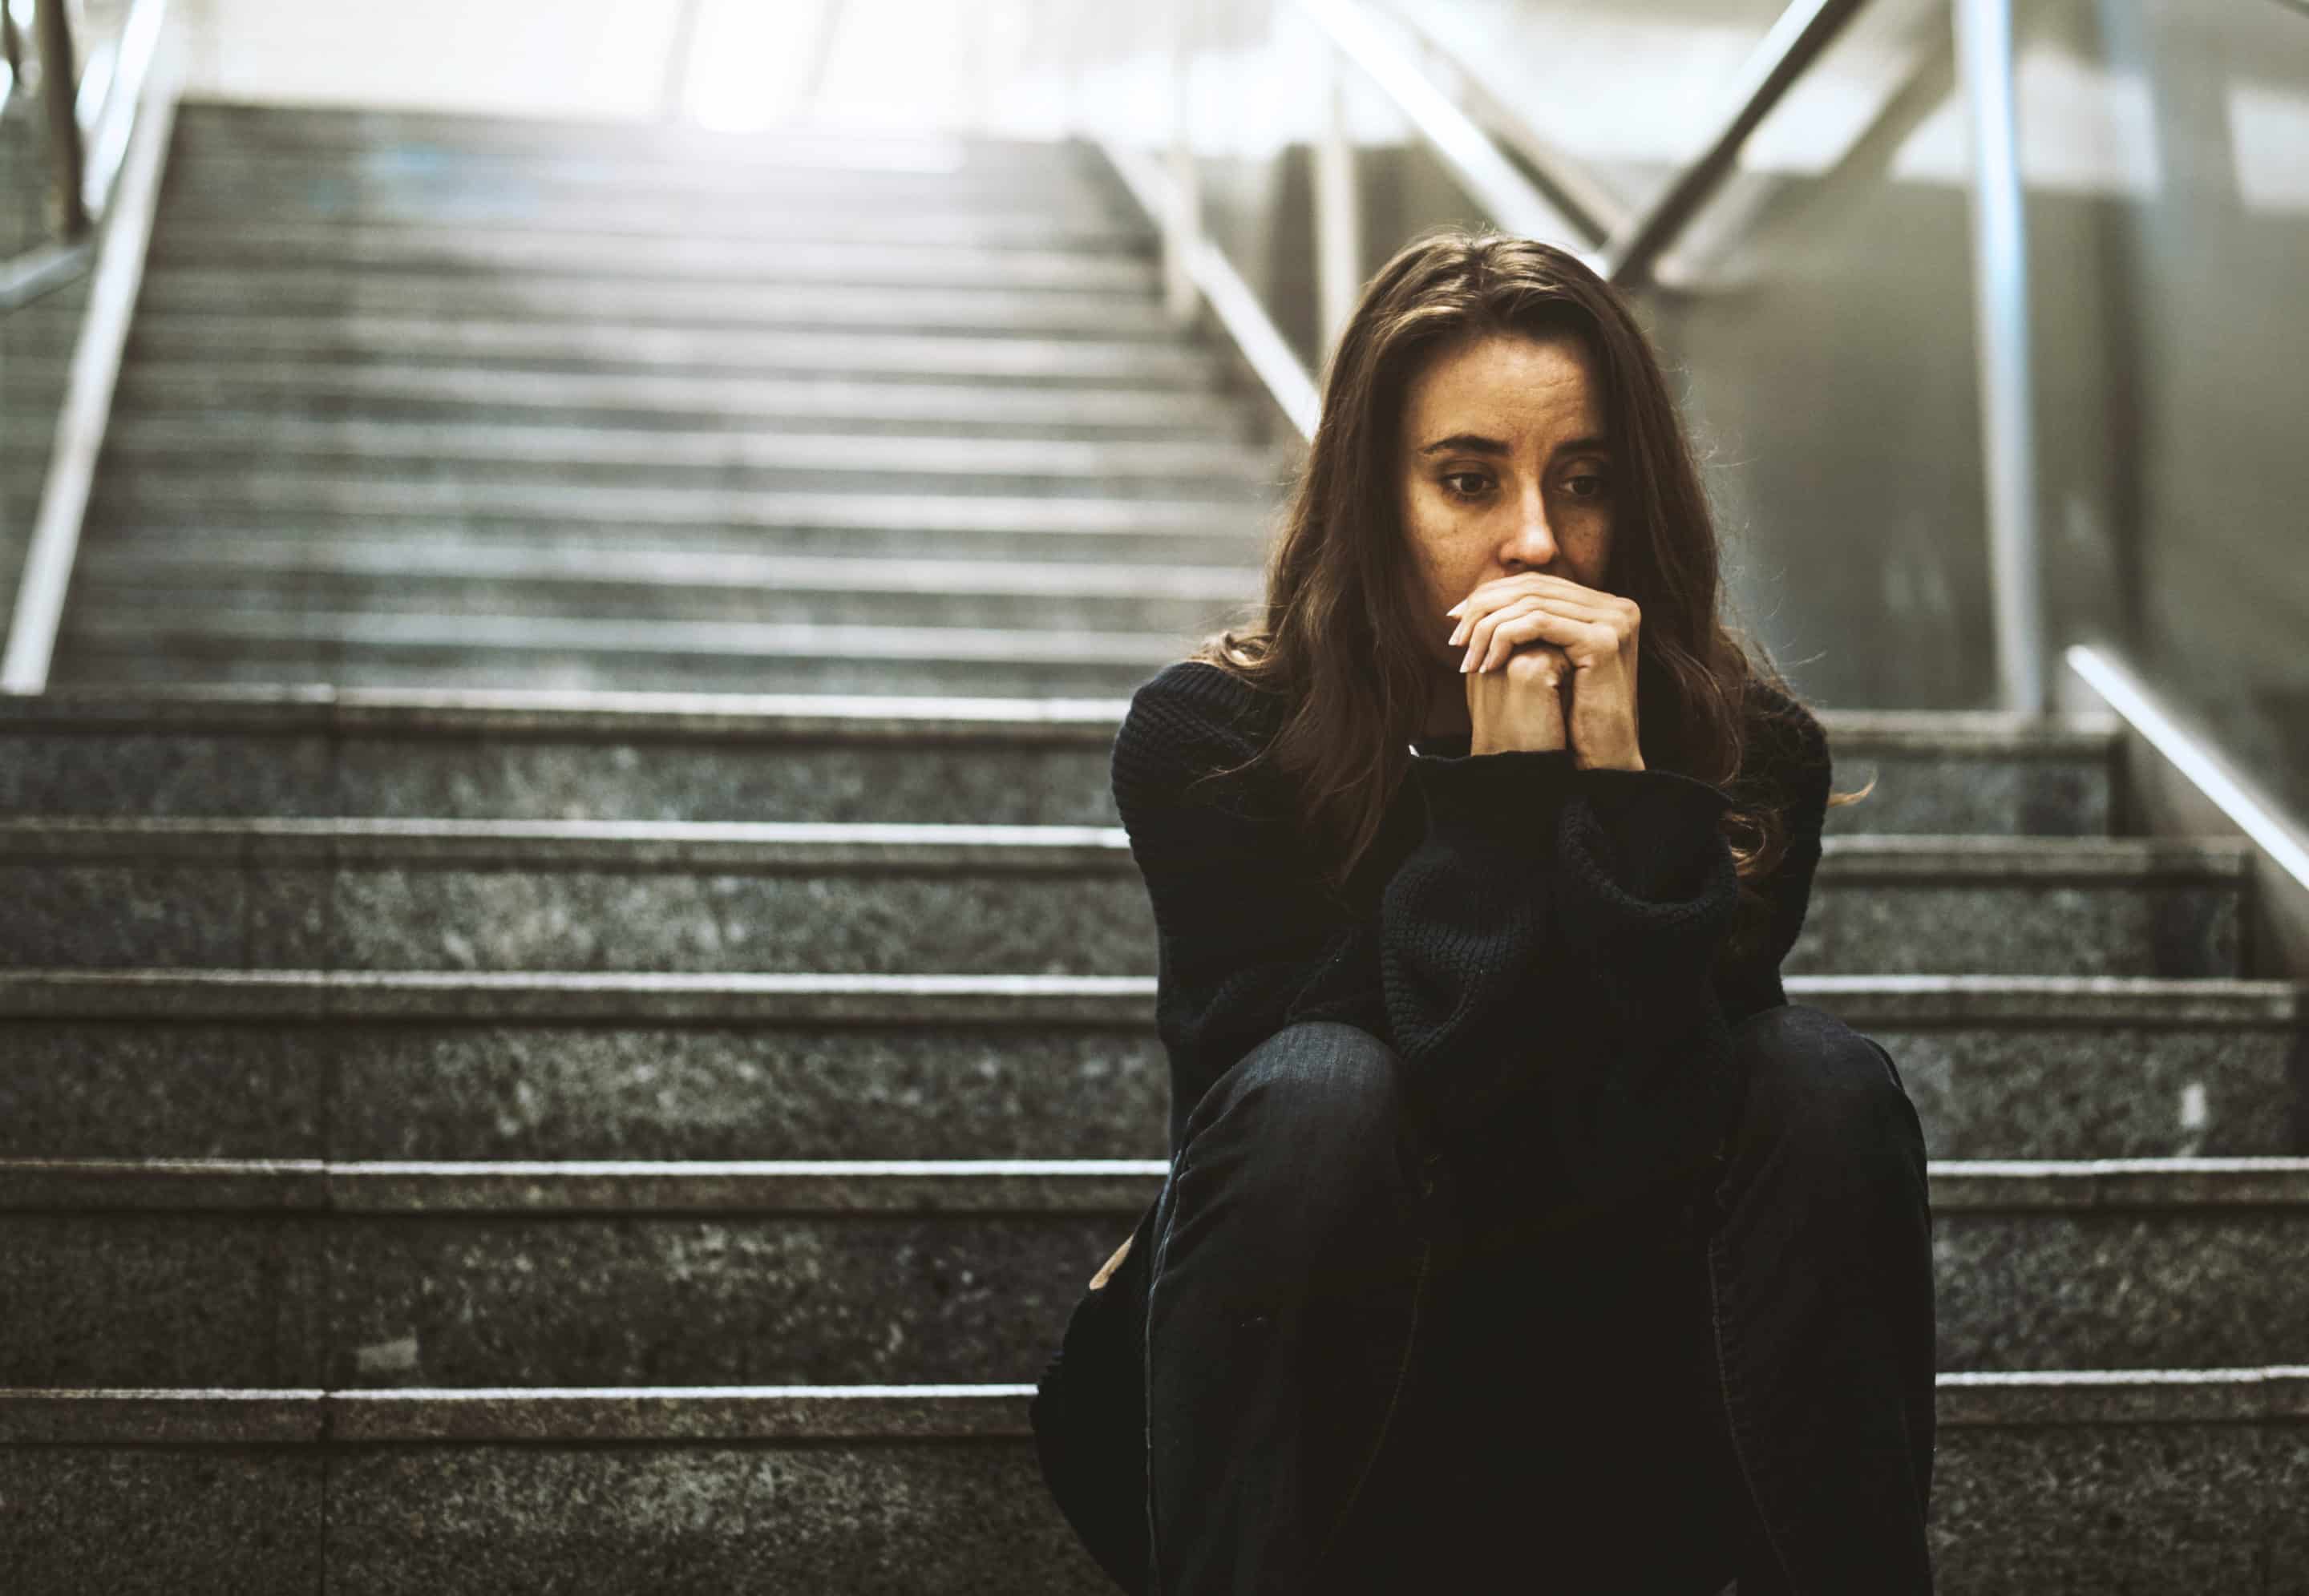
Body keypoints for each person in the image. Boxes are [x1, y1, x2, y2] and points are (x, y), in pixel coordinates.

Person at [1029, 227, 1937, 1595]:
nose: (1538, 543)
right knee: (1324, 1088)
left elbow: (1656, 1114)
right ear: (1370, 499)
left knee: (1821, 1080)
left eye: (1585, 482)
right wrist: (1502, 795)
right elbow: (1314, 1109)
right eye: (1468, 480)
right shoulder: (1211, 742)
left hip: (1609, 1416)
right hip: (1338, 1420)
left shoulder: (1747, 761)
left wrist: (1630, 799)